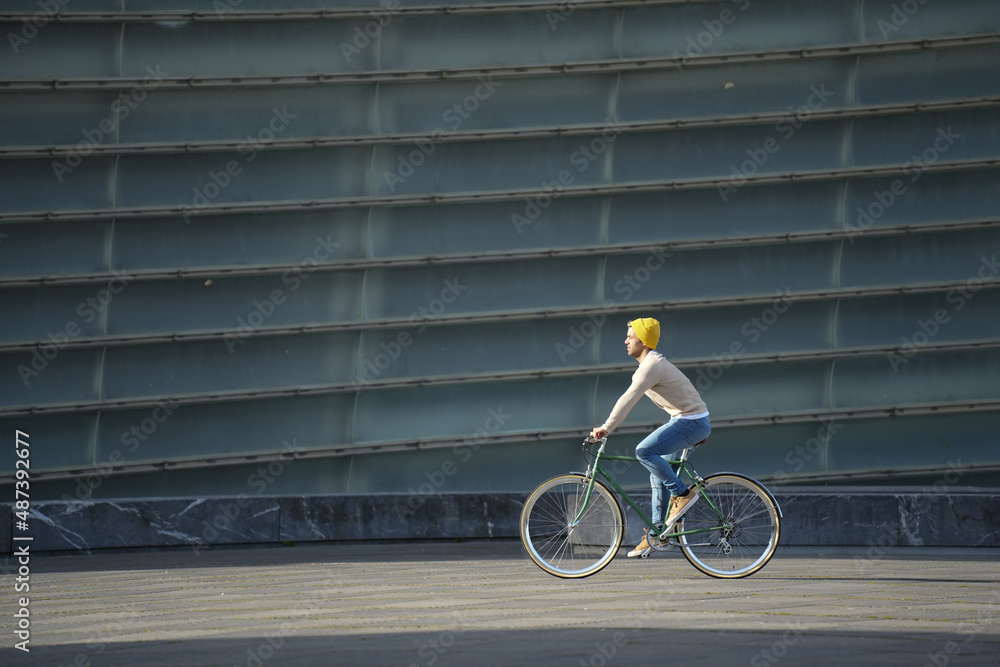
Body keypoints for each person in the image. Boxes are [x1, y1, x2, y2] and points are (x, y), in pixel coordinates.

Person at [590, 317, 710, 558]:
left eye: (630, 337)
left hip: (691, 422)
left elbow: (628, 398)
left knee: (644, 451)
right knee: (658, 474)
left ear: (643, 341)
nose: (625, 341)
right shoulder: (650, 365)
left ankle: (683, 495)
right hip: (688, 420)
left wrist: (606, 428)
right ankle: (658, 535)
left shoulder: (650, 366)